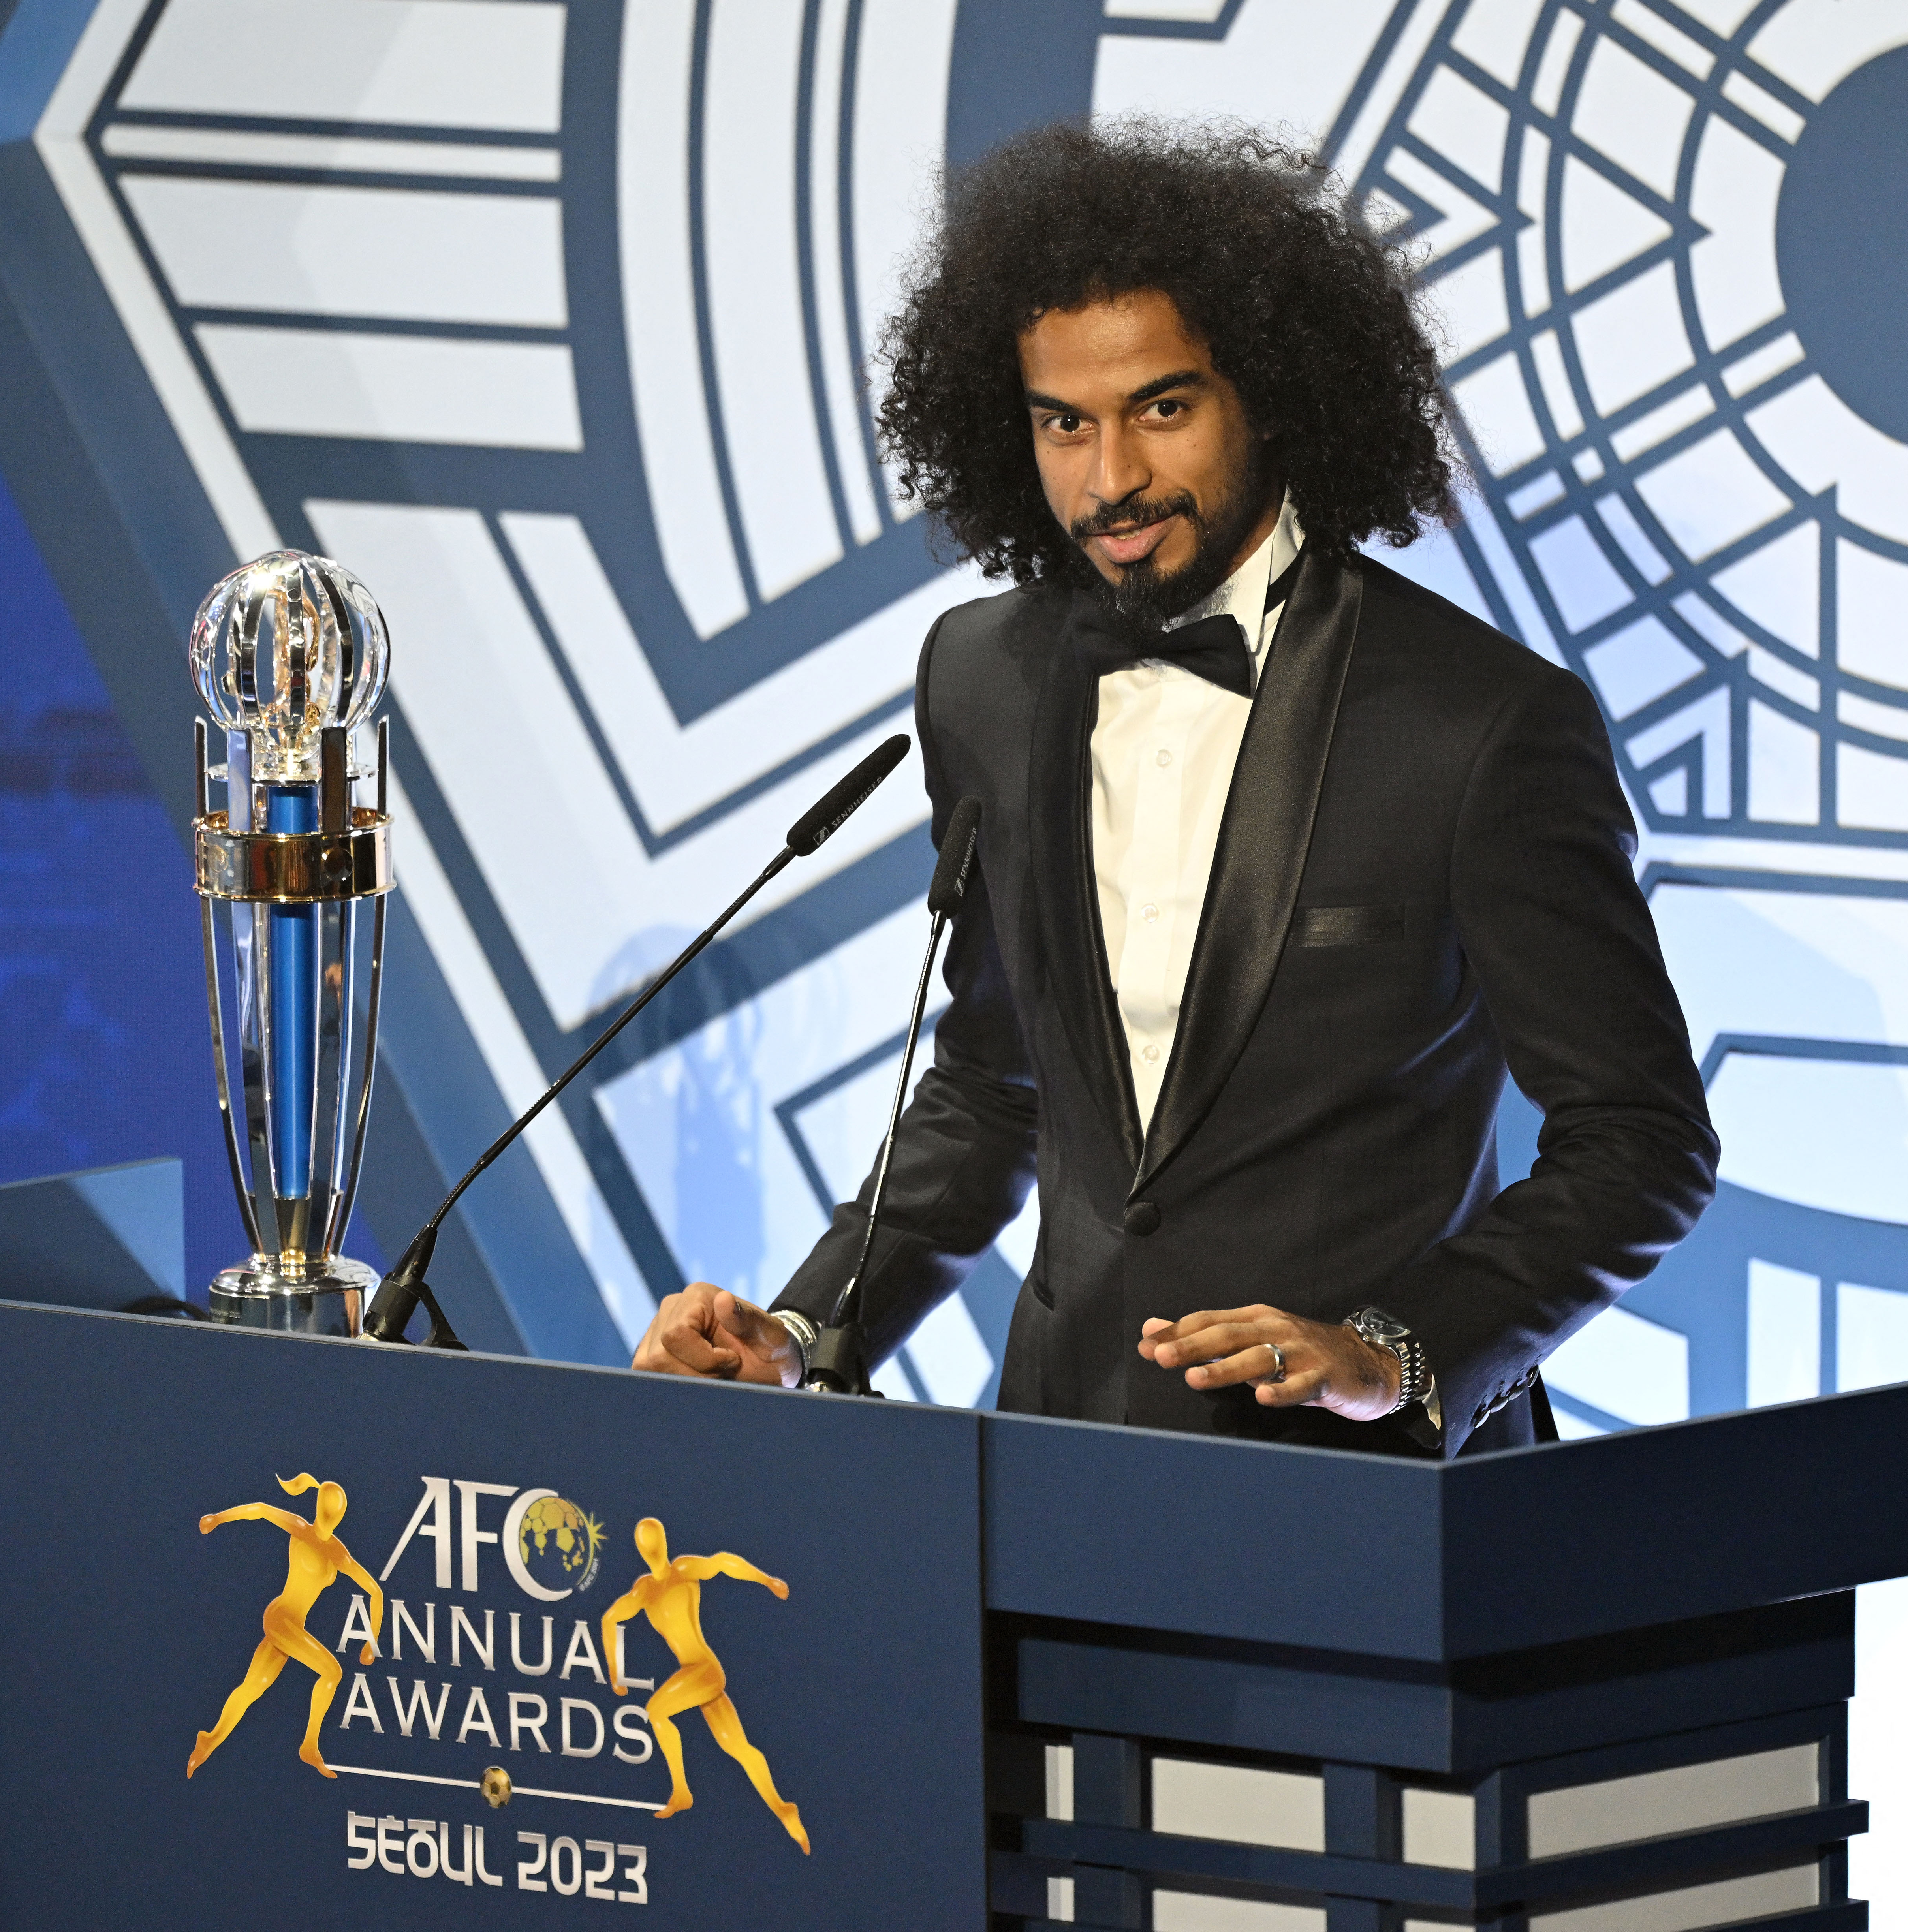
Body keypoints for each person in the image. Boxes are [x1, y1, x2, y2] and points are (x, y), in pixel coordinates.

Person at [632, 120, 1716, 1457]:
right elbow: (992, 1087)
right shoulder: (981, 675)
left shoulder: (1480, 724)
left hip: (1371, 1504)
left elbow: (1637, 1142)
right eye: (1061, 424)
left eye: (1161, 407)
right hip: (1052, 1475)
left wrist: (1391, 1353)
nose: (1112, 479)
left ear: (1269, 389)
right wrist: (800, 1335)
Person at [602, 1517, 809, 1851]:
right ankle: (784, 1809)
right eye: (647, 1544)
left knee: (656, 1712)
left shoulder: (683, 1570)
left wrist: (766, 1580)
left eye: (654, 1542)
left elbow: (723, 1564)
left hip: (704, 1669)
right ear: (643, 1550)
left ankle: (682, 1791)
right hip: (695, 1676)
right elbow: (610, 1619)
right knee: (737, 1747)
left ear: (664, 1544)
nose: (653, 1549)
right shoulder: (644, 1590)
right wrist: (614, 1672)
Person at [186, 1472, 383, 1778]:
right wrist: (218, 1518)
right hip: (281, 1618)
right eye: (329, 1508)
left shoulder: (338, 1554)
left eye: (338, 1511)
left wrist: (372, 1641)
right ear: (319, 1508)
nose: (332, 1515)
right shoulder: (301, 1530)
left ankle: (210, 1739)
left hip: (293, 1628)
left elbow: (375, 1592)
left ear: (342, 1515)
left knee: (253, 1687)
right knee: (332, 1671)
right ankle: (309, 1746)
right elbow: (263, 1510)